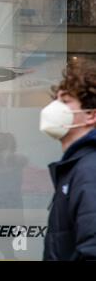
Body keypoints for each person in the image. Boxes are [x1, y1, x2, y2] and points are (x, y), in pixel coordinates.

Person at [40, 58, 96, 260]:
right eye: (56, 100)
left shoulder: (89, 170)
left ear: (90, 115)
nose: (53, 108)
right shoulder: (77, 166)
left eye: (65, 101)